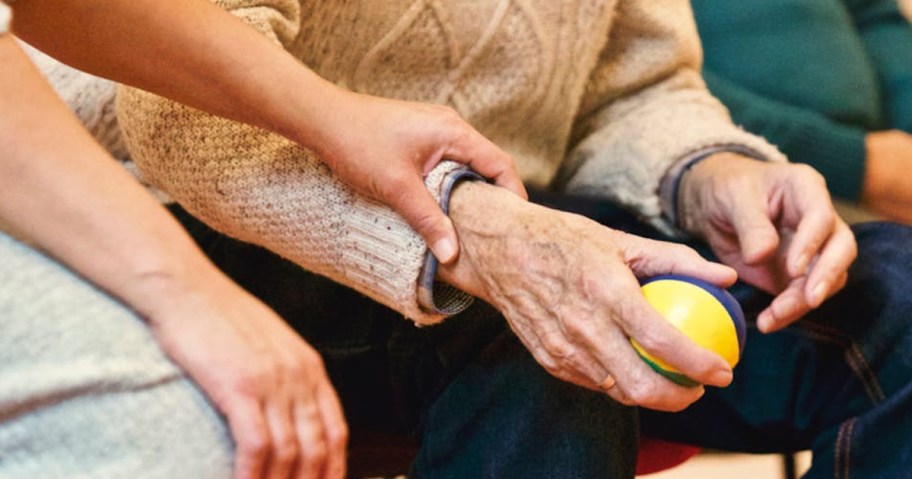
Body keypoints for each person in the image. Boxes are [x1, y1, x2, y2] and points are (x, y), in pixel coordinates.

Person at [111, 0, 912, 477]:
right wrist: (468, 227)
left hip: (524, 209)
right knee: (546, 337)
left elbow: (632, 89)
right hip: (209, 211)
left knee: (897, 296)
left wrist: (710, 174)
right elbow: (180, 111)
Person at [0, 1, 526, 478]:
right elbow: (164, 115)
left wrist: (337, 116)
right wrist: (185, 291)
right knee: (184, 431)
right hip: (150, 192)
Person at [691, 0, 912, 223]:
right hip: (759, 180)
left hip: (887, 155)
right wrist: (854, 164)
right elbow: (670, 87)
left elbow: (876, 17)